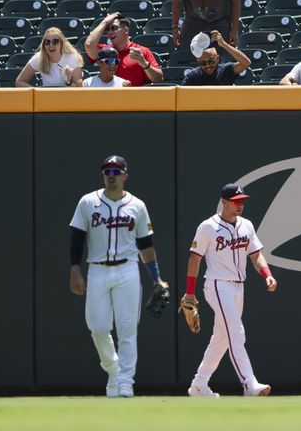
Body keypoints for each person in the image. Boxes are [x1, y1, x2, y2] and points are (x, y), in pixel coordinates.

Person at [69, 155, 168, 398]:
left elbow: (146, 245)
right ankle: (113, 369)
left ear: (125, 175)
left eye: (115, 170)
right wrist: (74, 269)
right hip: (97, 269)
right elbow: (77, 238)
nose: (111, 175)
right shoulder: (87, 202)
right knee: (98, 327)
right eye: (107, 171)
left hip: (127, 269)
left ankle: (125, 381)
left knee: (127, 328)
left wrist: (156, 278)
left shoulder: (137, 205)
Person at [182, 183, 278, 398]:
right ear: (223, 202)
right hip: (217, 285)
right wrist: (190, 292)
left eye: (242, 200)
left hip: (238, 288)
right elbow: (194, 258)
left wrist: (267, 274)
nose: (239, 205)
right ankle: (249, 384)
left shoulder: (247, 225)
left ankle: (199, 385)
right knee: (237, 332)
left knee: (222, 338)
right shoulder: (208, 226)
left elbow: (255, 255)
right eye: (235, 201)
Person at [84, 13, 164, 86]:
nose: (109, 32)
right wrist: (104, 22)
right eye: (107, 29)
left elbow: (159, 79)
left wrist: (144, 63)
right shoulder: (106, 52)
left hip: (134, 99)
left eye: (113, 28)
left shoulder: (141, 52)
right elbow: (89, 45)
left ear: (126, 30)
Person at [15, 27, 83, 87]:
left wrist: (69, 83)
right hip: (47, 98)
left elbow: (80, 90)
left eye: (55, 41)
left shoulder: (71, 58)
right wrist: (36, 92)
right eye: (47, 42)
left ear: (61, 44)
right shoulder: (39, 57)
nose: (51, 45)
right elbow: (19, 82)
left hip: (67, 98)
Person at [181, 30, 251, 85]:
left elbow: (246, 63)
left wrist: (224, 44)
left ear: (217, 58)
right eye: (203, 63)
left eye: (211, 61)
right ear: (198, 62)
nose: (208, 66)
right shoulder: (193, 76)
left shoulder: (226, 70)